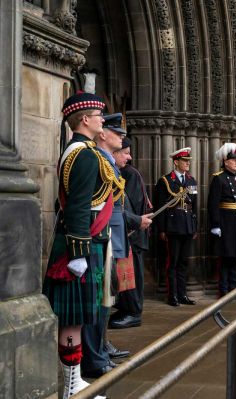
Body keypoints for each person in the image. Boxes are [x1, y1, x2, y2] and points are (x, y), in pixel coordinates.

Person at [42, 92, 109, 398]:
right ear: (84, 119)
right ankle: (71, 386)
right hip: (77, 247)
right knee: (72, 319)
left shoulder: (81, 150)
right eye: (99, 115)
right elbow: (79, 206)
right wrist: (79, 253)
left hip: (79, 244)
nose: (102, 120)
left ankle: (75, 380)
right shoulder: (82, 154)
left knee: (78, 319)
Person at [81, 113, 139, 378]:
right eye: (117, 133)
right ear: (103, 134)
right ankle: (95, 356)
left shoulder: (108, 163)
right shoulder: (97, 160)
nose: (122, 140)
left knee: (105, 300)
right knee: (98, 301)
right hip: (99, 237)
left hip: (109, 238)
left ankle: (100, 350)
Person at [109, 137, 153, 329]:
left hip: (131, 234)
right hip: (124, 231)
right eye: (126, 153)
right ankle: (125, 308)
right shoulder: (118, 171)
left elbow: (133, 206)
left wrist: (132, 227)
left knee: (131, 275)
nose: (130, 157)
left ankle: (133, 312)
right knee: (123, 276)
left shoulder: (130, 173)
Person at [154, 147, 198, 306]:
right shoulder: (166, 181)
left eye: (188, 161)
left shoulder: (191, 180)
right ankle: (172, 295)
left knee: (183, 262)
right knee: (172, 262)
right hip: (172, 226)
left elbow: (195, 206)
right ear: (176, 162)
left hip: (187, 225)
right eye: (185, 161)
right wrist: (162, 229)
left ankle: (182, 294)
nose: (187, 163)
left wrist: (194, 227)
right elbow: (160, 206)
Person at [207, 143, 236, 300]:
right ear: (225, 161)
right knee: (225, 257)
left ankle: (234, 288)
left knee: (235, 257)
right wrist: (215, 224)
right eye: (233, 159)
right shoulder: (219, 179)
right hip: (225, 222)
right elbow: (213, 203)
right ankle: (223, 290)